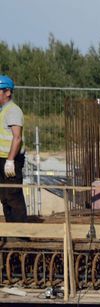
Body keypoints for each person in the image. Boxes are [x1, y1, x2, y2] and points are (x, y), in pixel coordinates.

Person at [0, 75, 28, 223]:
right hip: (2, 159)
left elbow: (17, 138)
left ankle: (20, 234)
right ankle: (11, 229)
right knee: (4, 196)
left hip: (11, 159)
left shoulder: (13, 110)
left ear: (7, 92)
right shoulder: (2, 111)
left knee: (13, 195)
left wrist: (10, 160)